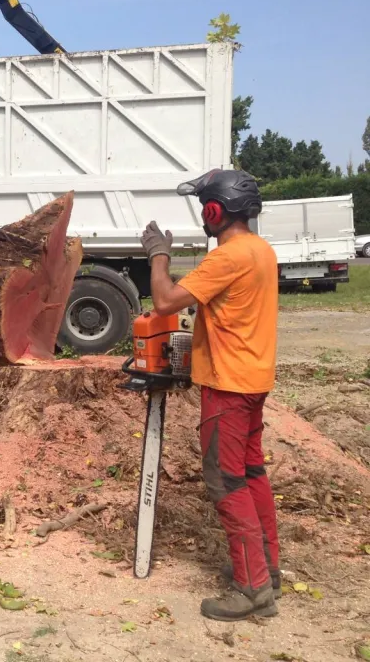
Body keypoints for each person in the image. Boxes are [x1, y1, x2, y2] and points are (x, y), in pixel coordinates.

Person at [139, 169, 280, 622]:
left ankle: (253, 589)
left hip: (228, 385)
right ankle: (267, 569)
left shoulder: (228, 257)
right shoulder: (260, 250)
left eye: (205, 207)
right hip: (253, 380)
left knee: (225, 481)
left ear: (216, 211)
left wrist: (159, 256)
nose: (204, 215)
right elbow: (209, 294)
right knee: (251, 474)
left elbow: (164, 301)